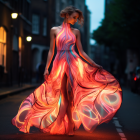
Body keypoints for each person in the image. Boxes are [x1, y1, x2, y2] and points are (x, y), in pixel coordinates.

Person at [11, 6, 122, 136]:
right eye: (74, 17)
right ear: (66, 15)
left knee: (70, 95)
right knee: (64, 96)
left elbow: (81, 51)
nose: (75, 20)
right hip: (59, 64)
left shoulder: (76, 32)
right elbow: (51, 51)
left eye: (77, 18)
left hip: (74, 63)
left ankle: (66, 125)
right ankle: (63, 123)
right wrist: (47, 67)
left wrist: (93, 63)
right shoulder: (54, 30)